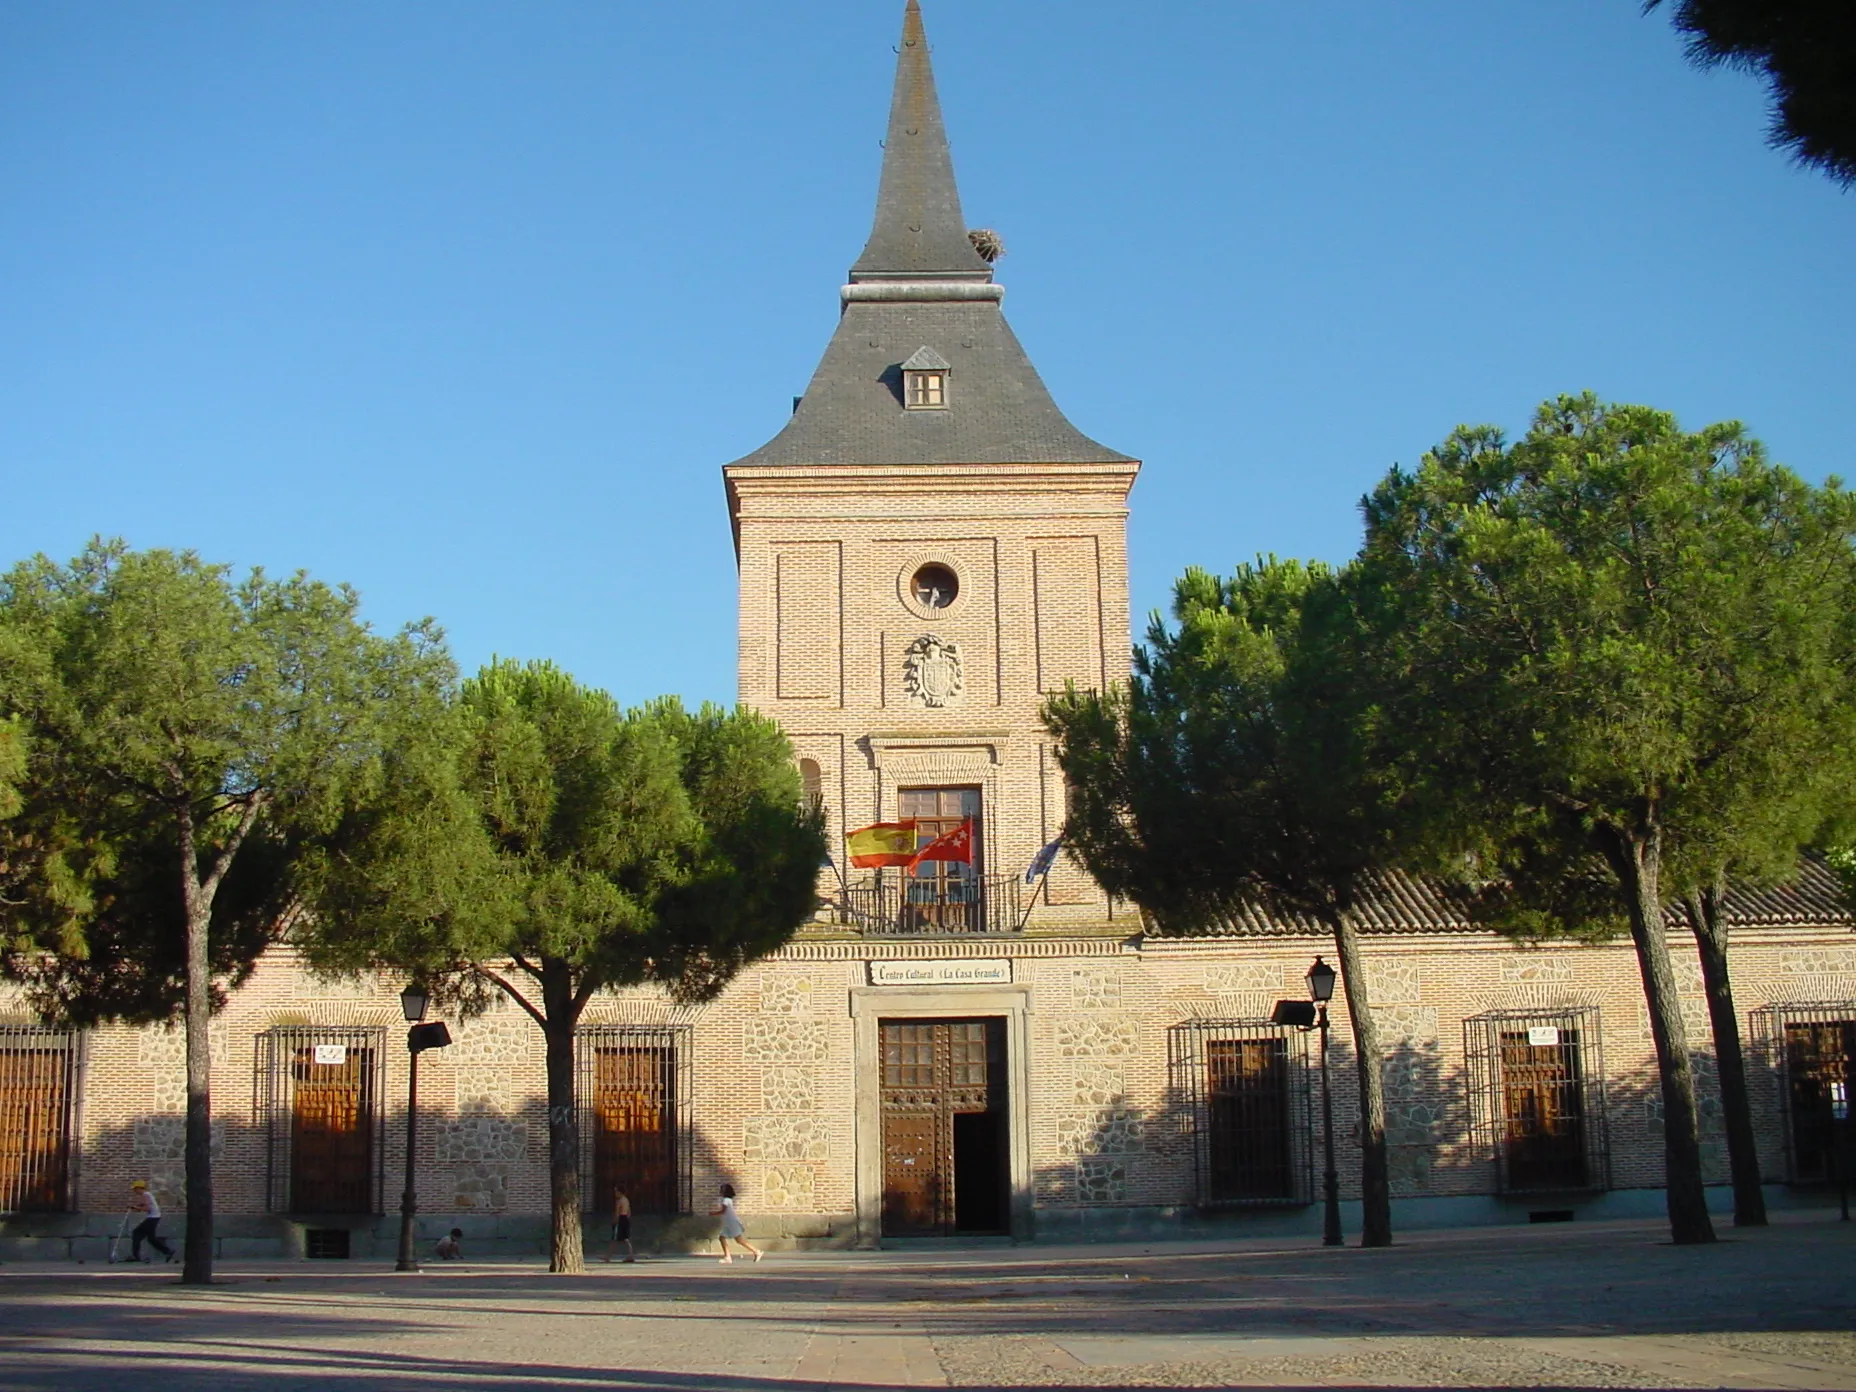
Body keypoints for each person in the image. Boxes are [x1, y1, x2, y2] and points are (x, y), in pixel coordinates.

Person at [709, 1183, 760, 1264]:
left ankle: (756, 1252)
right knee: (722, 1238)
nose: (720, 1191)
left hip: (731, 1222)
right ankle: (727, 1257)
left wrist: (713, 1213)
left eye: (721, 1190)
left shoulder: (726, 1200)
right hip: (729, 1223)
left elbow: (723, 1211)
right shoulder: (727, 1200)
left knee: (739, 1240)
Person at [127, 1181, 175, 1264]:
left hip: (152, 1218)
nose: (134, 1191)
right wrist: (136, 1207)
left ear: (139, 1188)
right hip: (154, 1217)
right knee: (151, 1239)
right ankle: (168, 1252)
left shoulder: (146, 1195)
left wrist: (136, 1207)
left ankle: (136, 1256)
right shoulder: (147, 1194)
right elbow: (145, 1205)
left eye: (135, 1189)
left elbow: (148, 1208)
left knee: (136, 1232)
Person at [604, 1185, 635, 1263]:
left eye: (616, 1191)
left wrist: (615, 1221)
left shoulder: (619, 1200)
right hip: (626, 1219)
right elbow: (629, 1212)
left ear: (619, 1192)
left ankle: (608, 1256)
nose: (615, 1193)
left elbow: (617, 1212)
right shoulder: (626, 1200)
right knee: (626, 1238)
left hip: (620, 1219)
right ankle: (630, 1255)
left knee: (614, 1238)